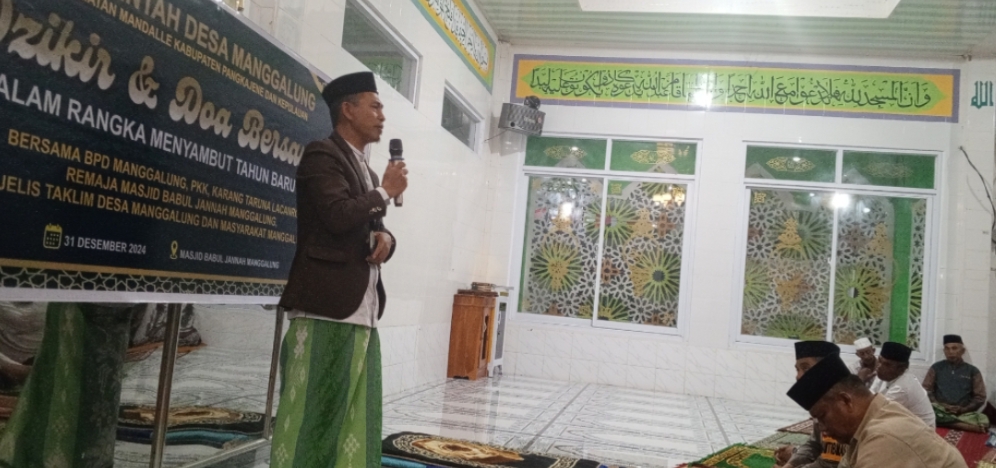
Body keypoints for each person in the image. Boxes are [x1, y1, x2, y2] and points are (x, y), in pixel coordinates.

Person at [272, 71, 409, 468]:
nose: (382, 116)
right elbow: (336, 216)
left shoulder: (367, 170)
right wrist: (385, 192)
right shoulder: (322, 155)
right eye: (375, 106)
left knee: (355, 417)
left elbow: (370, 226)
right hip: (325, 306)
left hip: (361, 310)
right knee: (312, 414)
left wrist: (387, 239)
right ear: (347, 110)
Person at [787, 354, 967, 468]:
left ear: (846, 401)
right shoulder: (869, 422)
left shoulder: (884, 436)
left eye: (822, 416)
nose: (823, 429)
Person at [773, 341, 844, 468]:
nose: (798, 376)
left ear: (826, 369)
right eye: (797, 369)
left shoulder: (842, 406)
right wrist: (791, 463)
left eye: (805, 368)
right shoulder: (821, 400)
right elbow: (814, 444)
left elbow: (828, 463)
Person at [923, 334, 989, 433]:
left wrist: (963, 409)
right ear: (944, 351)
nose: (950, 352)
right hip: (940, 411)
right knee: (926, 412)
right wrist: (941, 406)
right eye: (947, 349)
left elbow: (980, 397)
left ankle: (950, 422)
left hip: (964, 414)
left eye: (954, 348)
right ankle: (959, 425)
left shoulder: (972, 371)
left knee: (983, 419)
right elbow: (926, 390)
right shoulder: (936, 368)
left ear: (962, 351)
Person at [868, 342, 934, 429]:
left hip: (921, 431)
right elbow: (869, 397)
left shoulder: (903, 387)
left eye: (887, 364)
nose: (879, 366)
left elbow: (878, 412)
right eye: (879, 360)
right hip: (903, 423)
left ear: (902, 368)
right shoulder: (883, 374)